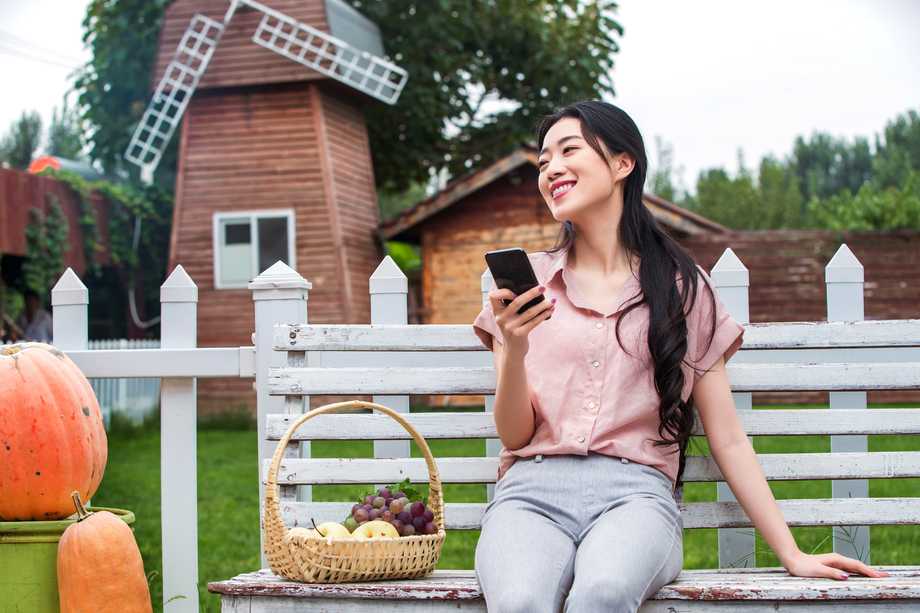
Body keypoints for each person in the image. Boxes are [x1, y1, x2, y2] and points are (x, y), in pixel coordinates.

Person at [471, 100, 884, 613]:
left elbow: (728, 437)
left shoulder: (683, 289)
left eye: (568, 150)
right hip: (530, 493)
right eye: (543, 160)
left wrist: (791, 551)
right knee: (519, 601)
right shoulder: (526, 285)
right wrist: (514, 349)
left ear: (623, 164)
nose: (550, 167)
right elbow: (514, 436)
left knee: (601, 595)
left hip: (634, 497)